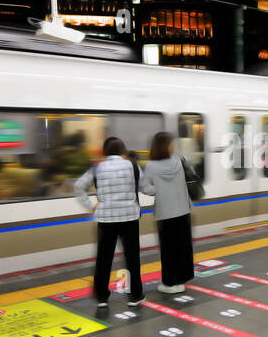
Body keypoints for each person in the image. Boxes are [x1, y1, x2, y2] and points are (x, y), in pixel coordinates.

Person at [75, 136, 144, 308]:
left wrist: (90, 206)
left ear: (105, 152)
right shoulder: (132, 165)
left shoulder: (97, 168)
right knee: (132, 258)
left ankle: (102, 298)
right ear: (123, 151)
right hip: (129, 217)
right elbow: (146, 187)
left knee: (104, 258)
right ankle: (135, 296)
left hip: (106, 219)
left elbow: (79, 186)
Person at [140, 131, 197, 294]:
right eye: (171, 143)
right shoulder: (180, 160)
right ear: (166, 146)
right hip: (183, 210)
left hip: (165, 214)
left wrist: (157, 190)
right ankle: (181, 280)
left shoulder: (151, 166)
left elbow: (147, 189)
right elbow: (192, 176)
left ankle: (169, 283)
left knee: (168, 250)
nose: (174, 146)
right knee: (183, 247)